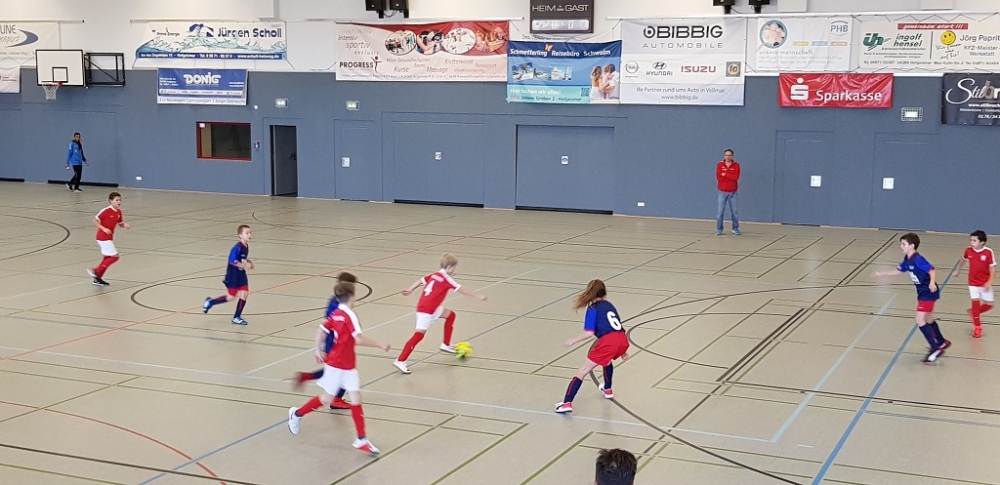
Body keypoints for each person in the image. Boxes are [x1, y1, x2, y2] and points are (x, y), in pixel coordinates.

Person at [287, 281, 391, 456]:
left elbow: (321, 330)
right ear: (352, 297)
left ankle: (361, 439)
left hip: (348, 365)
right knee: (326, 399)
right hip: (336, 365)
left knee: (356, 398)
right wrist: (379, 343)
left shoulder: (336, 314)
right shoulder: (349, 315)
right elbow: (358, 339)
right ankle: (296, 414)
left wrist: (317, 349)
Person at [393, 253, 488, 374]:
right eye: (454, 267)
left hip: (432, 307)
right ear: (449, 267)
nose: (454, 270)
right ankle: (400, 360)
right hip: (426, 310)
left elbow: (420, 281)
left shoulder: (434, 275)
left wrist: (410, 289)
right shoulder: (446, 279)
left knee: (450, 315)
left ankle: (446, 344)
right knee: (419, 335)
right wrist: (478, 296)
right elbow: (462, 290)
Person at [872, 233, 951, 363]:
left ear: (912, 246)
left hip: (928, 292)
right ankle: (941, 342)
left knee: (920, 320)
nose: (901, 246)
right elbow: (900, 270)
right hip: (923, 292)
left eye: (903, 244)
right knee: (928, 319)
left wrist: (932, 283)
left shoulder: (918, 259)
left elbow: (931, 270)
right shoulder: (907, 259)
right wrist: (883, 274)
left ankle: (935, 348)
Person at [555, 279, 629, 414]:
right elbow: (617, 326)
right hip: (622, 338)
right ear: (604, 292)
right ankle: (608, 389)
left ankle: (567, 403)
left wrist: (573, 340)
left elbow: (589, 333)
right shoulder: (609, 305)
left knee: (582, 371)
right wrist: (623, 350)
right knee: (606, 361)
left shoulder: (593, 308)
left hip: (608, 342)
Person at [293, 272, 357, 410]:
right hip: (335, 343)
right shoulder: (337, 306)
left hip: (335, 342)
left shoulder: (335, 301)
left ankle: (307, 377)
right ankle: (335, 399)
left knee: (334, 370)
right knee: (341, 370)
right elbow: (330, 325)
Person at [203, 225, 254, 325]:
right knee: (231, 297)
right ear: (240, 235)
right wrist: (245, 265)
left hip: (241, 274)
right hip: (233, 275)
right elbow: (233, 261)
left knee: (244, 294)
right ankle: (210, 302)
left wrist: (249, 262)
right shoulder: (237, 248)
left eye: (250, 233)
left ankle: (236, 317)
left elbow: (242, 258)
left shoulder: (246, 246)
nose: (249, 235)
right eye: (247, 233)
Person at [953, 230, 995, 338]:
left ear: (982, 242)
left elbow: (992, 268)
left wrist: (990, 281)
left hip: (984, 282)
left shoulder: (988, 252)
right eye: (971, 240)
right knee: (975, 302)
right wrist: (958, 270)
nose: (971, 242)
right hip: (973, 282)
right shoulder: (968, 250)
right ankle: (978, 327)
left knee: (989, 304)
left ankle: (974, 312)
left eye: (974, 240)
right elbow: (963, 260)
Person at [87, 192, 129, 286]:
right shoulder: (106, 211)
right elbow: (95, 220)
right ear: (111, 201)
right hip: (102, 237)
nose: (119, 202)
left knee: (107, 258)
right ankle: (96, 271)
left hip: (109, 237)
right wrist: (104, 228)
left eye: (120, 200)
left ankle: (98, 278)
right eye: (116, 200)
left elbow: (120, 223)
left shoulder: (118, 212)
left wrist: (124, 225)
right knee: (115, 257)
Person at [716, 149, 741, 236]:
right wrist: (729, 176)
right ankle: (719, 229)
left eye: (729, 155)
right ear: (724, 156)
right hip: (722, 192)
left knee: (734, 212)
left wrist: (725, 174)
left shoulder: (736, 165)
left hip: (732, 192)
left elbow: (736, 177)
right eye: (726, 155)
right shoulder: (720, 165)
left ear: (732, 156)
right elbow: (719, 177)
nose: (728, 157)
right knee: (720, 212)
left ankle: (735, 228)